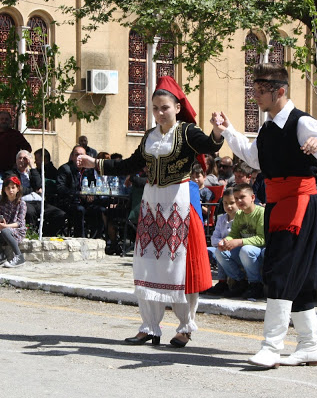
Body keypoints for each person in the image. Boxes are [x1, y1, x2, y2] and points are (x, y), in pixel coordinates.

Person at [212, 63, 317, 368]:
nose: (255, 96)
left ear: (280, 91)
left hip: (299, 202)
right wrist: (227, 130)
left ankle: (272, 347)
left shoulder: (301, 122)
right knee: (292, 275)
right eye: (254, 89)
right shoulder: (269, 126)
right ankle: (310, 346)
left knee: (279, 272)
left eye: (261, 90)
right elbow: (252, 157)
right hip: (277, 203)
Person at [77, 76, 224, 348]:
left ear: (177, 107)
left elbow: (209, 145)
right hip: (152, 202)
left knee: (178, 267)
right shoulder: (149, 136)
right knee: (147, 262)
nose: (159, 112)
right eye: (155, 108)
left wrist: (217, 131)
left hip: (178, 201)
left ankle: (184, 327)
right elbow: (131, 164)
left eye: (164, 107)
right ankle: (149, 326)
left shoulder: (187, 132)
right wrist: (95, 163)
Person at [215, 183, 266, 300]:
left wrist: (239, 242)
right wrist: (225, 241)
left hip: (258, 250)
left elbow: (262, 239)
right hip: (244, 248)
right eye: (236, 198)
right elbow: (233, 234)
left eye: (242, 197)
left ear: (253, 197)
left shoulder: (261, 213)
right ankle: (240, 282)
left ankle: (255, 285)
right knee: (220, 251)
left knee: (246, 250)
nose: (239, 201)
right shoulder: (239, 214)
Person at [8, 150, 66, 237]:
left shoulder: (33, 172)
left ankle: (47, 235)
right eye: (20, 158)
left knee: (59, 214)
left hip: (39, 201)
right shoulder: (11, 174)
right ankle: (32, 235)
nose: (22, 160)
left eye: (25, 158)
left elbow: (39, 184)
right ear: (16, 160)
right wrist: (33, 190)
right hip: (23, 201)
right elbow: (18, 190)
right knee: (29, 212)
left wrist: (32, 167)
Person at [56, 145, 98, 238]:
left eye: (82, 155)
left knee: (99, 210)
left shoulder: (88, 171)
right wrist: (78, 194)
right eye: (76, 155)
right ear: (72, 157)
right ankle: (80, 239)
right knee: (80, 210)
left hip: (84, 202)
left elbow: (93, 186)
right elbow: (60, 188)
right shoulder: (65, 169)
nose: (79, 157)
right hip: (68, 202)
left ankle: (95, 240)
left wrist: (91, 195)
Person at [202, 188, 237, 296]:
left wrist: (225, 243)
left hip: (234, 247)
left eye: (232, 203)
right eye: (225, 203)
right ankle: (205, 282)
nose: (228, 206)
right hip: (221, 246)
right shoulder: (221, 218)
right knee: (205, 251)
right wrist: (221, 242)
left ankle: (233, 281)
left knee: (220, 251)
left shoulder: (240, 218)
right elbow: (214, 238)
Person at [0, 176, 27, 268]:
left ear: (18, 189)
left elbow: (20, 223)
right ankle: (1, 255)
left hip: (17, 230)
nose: (11, 190)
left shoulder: (22, 204)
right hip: (5, 229)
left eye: (13, 187)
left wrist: (6, 226)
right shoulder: (2, 203)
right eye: (8, 188)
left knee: (5, 230)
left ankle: (19, 256)